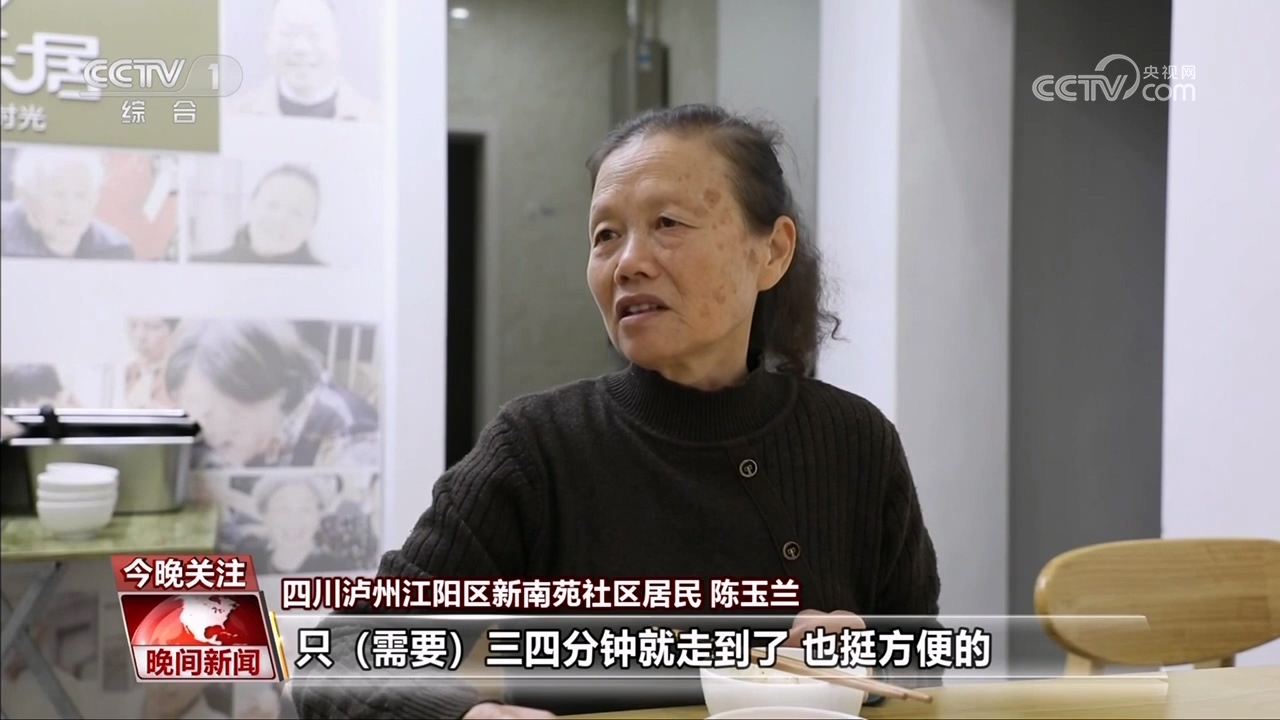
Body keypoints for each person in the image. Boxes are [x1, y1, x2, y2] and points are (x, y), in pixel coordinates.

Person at [291, 104, 941, 719]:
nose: (628, 263)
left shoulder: (856, 440)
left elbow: (921, 666)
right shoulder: (537, 449)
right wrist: (464, 712)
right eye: (606, 235)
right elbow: (339, 656)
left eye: (668, 224)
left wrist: (867, 658)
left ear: (770, 252)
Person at [163, 319, 379, 468]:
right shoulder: (253, 432)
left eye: (212, 410)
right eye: (194, 409)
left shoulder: (349, 436)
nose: (205, 428)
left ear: (263, 387)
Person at [230, 0, 378, 121]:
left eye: (314, 34)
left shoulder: (376, 122)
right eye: (288, 34)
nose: (301, 48)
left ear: (338, 41)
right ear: (267, 40)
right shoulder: (233, 119)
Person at [0, 147, 135, 259]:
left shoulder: (115, 250)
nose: (70, 208)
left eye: (81, 195)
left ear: (94, 198)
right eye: (58, 194)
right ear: (27, 196)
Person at [192, 165, 323, 265]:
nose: (280, 220)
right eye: (272, 205)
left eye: (297, 213)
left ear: (312, 224)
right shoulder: (200, 266)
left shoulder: (326, 279)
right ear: (252, 205)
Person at [125, 317, 179, 408]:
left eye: (152, 327)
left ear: (173, 333)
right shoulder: (125, 374)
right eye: (133, 325)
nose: (140, 336)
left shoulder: (183, 378)